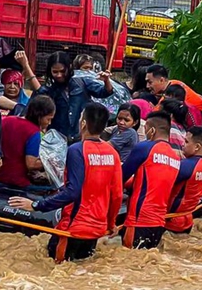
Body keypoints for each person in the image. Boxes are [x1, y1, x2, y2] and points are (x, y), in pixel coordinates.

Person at [9, 104, 122, 262]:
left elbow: (72, 191)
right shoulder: (113, 154)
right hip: (96, 230)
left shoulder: (77, 150)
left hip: (72, 228)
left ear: (83, 123)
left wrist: (36, 205)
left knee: (50, 271)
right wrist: (111, 224)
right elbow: (117, 194)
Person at [121, 112, 181, 249]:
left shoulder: (145, 148)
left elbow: (121, 177)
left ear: (152, 130)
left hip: (139, 220)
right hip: (159, 222)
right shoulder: (175, 157)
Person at [34, 51, 114, 140]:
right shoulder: (48, 89)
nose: (59, 75)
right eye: (55, 72)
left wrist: (106, 81)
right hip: (57, 138)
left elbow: (105, 92)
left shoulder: (81, 82)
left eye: (62, 71)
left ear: (69, 67)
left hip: (79, 136)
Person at [0, 95, 55, 187]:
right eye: (48, 119)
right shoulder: (33, 133)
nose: (49, 123)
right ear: (39, 115)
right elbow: (31, 164)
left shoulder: (6, 120)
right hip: (14, 181)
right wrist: (51, 161)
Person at [166, 126, 202, 234]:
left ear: (197, 147)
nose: (183, 145)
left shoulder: (187, 165)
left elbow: (160, 182)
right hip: (188, 219)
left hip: (171, 220)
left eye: (186, 142)